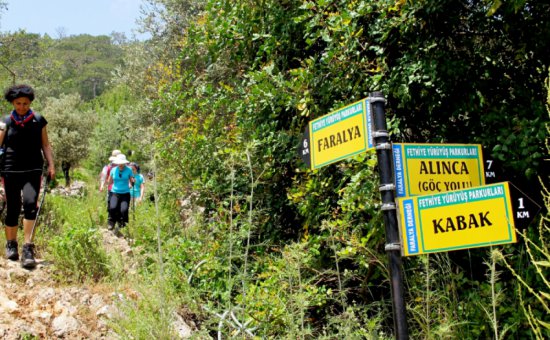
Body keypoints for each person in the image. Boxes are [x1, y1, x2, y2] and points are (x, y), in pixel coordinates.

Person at [0, 84, 55, 269]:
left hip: (33, 170)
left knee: (31, 205)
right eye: (18, 103)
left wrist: (52, 165)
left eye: (25, 103)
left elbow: (46, 145)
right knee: (13, 207)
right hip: (10, 170)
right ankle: (11, 245)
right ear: (12, 103)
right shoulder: (5, 121)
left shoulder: (39, 120)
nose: (22, 107)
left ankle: (27, 248)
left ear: (30, 102)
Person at [105, 154, 134, 236]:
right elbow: (109, 181)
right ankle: (111, 222)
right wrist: (106, 185)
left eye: (122, 163)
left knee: (124, 210)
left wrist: (132, 181)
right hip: (115, 192)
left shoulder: (129, 170)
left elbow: (131, 179)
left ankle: (123, 225)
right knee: (112, 207)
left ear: (124, 163)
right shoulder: (113, 170)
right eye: (119, 163)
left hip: (125, 193)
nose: (120, 165)